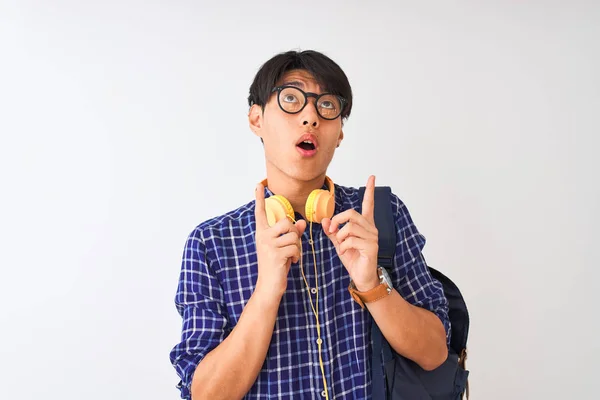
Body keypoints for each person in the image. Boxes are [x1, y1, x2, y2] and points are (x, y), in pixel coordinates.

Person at [169, 49, 451, 400]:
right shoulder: (211, 243)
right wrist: (267, 289)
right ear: (256, 119)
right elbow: (205, 394)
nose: (311, 118)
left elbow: (435, 353)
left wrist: (371, 285)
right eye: (291, 99)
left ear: (340, 133)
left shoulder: (380, 215)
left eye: (327, 106)